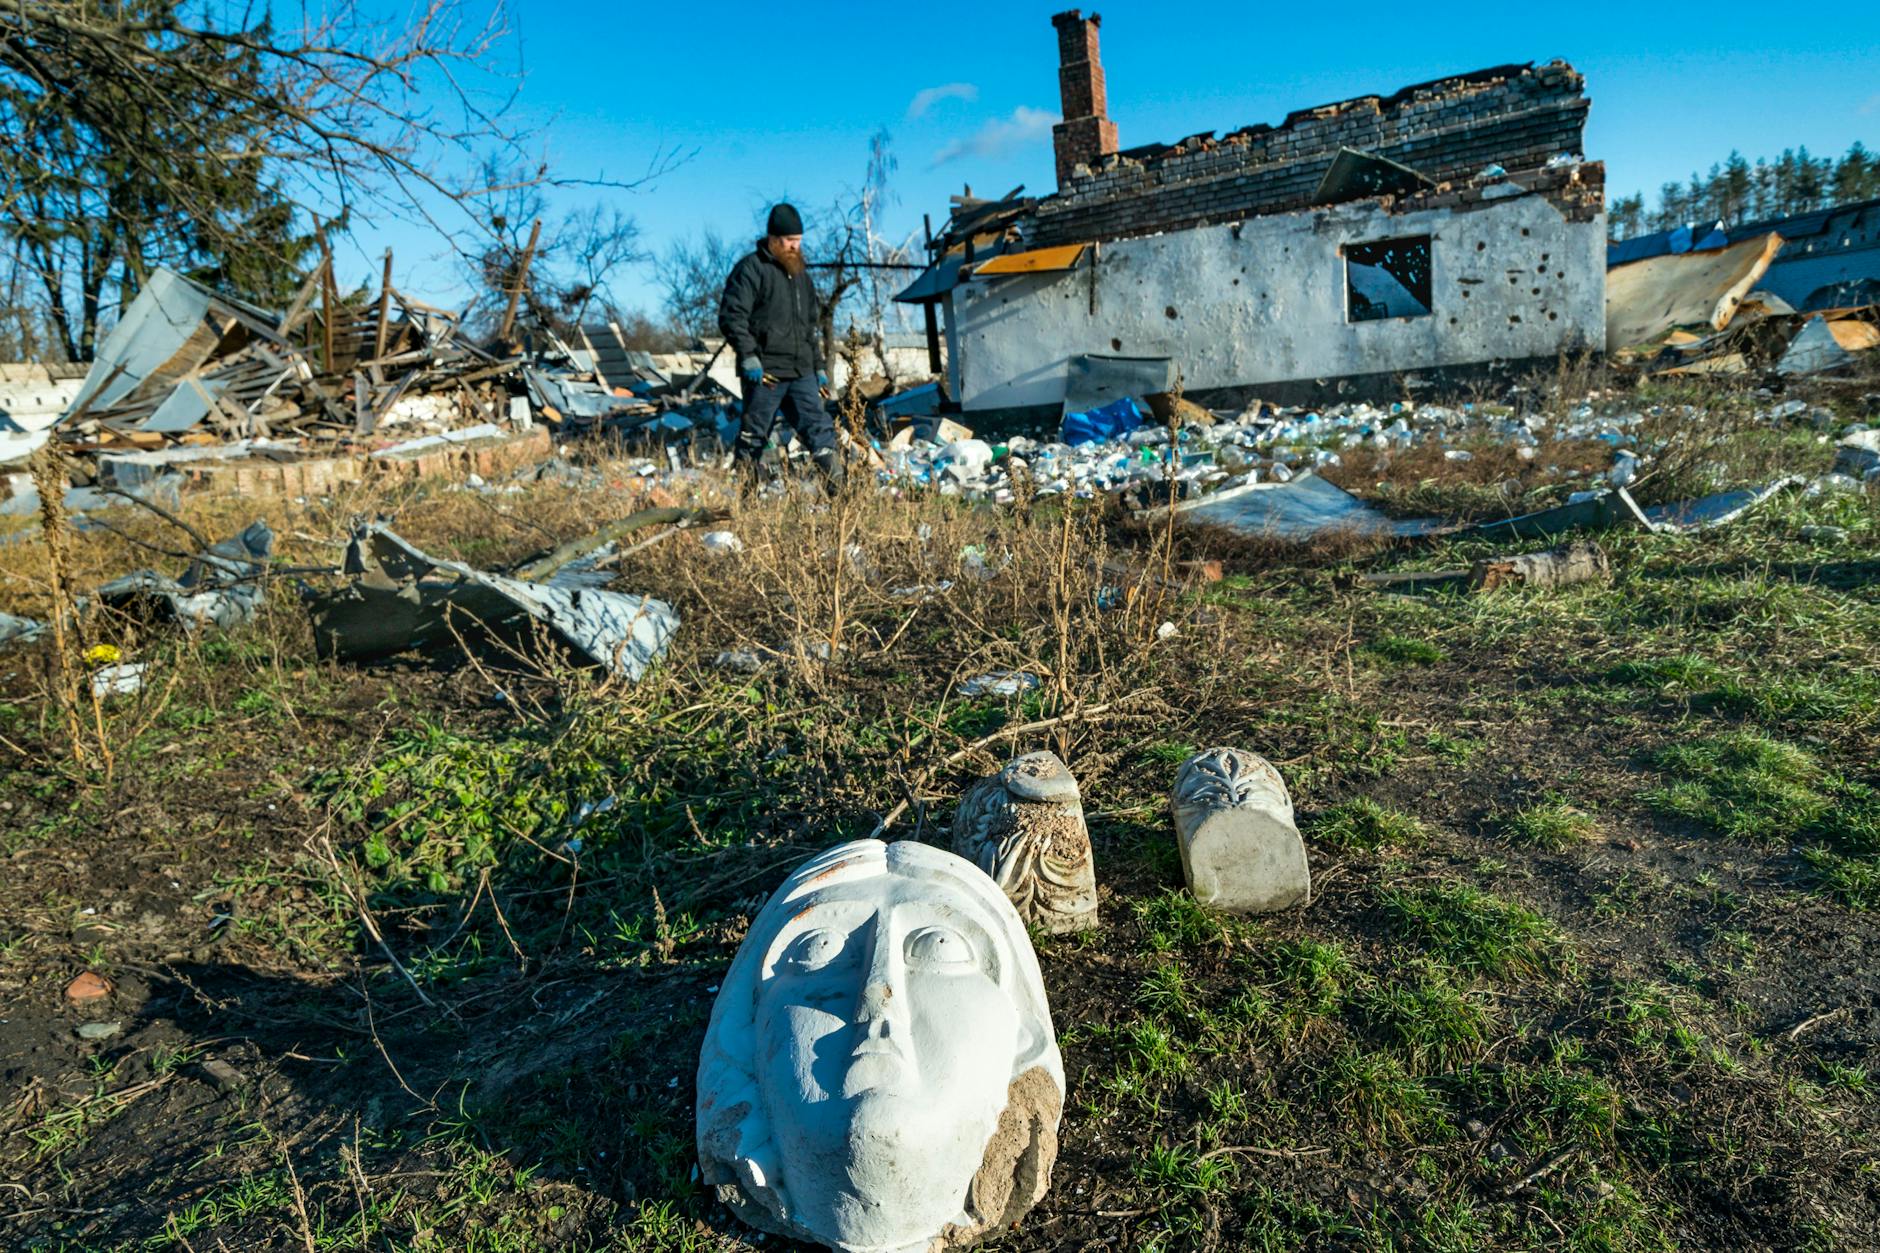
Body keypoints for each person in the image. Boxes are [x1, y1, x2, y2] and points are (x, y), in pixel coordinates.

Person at [717, 203, 844, 491]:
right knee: (754, 434)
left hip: (801, 372)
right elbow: (731, 316)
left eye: (798, 241)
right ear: (773, 239)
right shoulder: (751, 269)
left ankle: (840, 495)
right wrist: (748, 355)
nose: (795, 247)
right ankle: (747, 498)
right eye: (789, 241)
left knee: (819, 429)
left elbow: (809, 328)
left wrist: (819, 366)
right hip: (765, 372)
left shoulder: (802, 276)